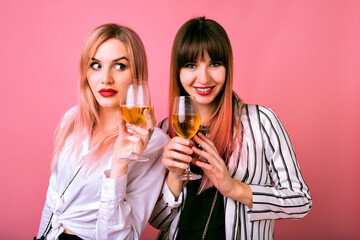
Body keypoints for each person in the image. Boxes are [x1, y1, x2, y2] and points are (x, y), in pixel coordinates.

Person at [149, 17, 312, 240]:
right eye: (191, 65)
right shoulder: (167, 129)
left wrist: (234, 188)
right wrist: (175, 177)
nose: (203, 78)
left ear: (227, 68)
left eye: (215, 64)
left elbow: (300, 201)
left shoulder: (261, 121)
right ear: (178, 71)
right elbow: (158, 221)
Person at [35, 23, 169, 240]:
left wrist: (119, 166)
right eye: (96, 65)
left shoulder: (153, 144)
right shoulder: (72, 120)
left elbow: (122, 236)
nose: (105, 78)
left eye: (119, 66)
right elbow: (53, 202)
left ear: (137, 73)